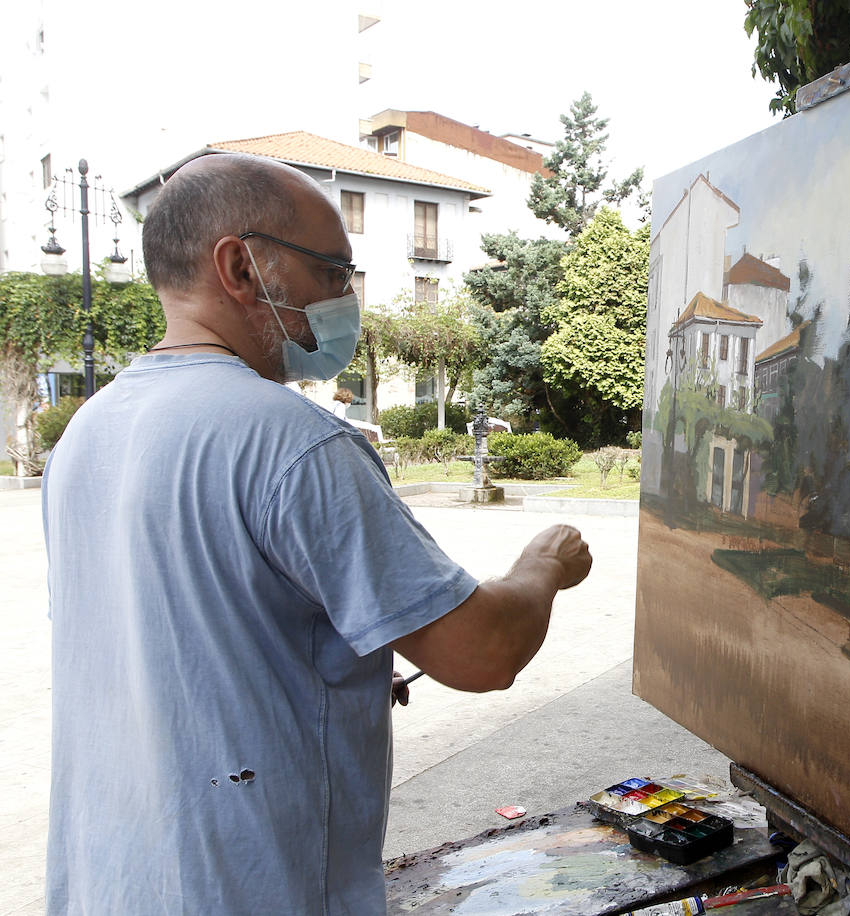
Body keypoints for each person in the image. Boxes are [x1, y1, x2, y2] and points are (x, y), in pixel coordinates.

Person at [42, 152, 592, 914]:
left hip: (116, 880)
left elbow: (181, 644)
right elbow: (482, 652)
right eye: (332, 270)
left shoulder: (88, 432)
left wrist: (329, 670)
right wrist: (543, 565)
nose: (345, 297)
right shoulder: (292, 441)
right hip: (252, 887)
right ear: (239, 266)